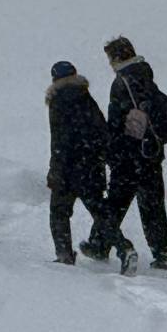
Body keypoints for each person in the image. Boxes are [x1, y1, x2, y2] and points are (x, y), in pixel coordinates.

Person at [78, 37, 167, 270]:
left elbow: (116, 122)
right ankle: (162, 254)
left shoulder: (122, 82)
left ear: (117, 57)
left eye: (110, 58)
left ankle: (100, 244)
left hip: (129, 156)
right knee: (152, 205)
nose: (109, 63)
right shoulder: (146, 76)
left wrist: (112, 151)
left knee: (115, 203)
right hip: (150, 152)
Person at [46, 61, 134, 269]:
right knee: (100, 212)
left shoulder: (57, 101)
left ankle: (64, 254)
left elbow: (59, 140)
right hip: (91, 167)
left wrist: (55, 169)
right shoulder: (86, 98)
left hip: (67, 168)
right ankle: (124, 248)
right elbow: (102, 132)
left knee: (59, 212)